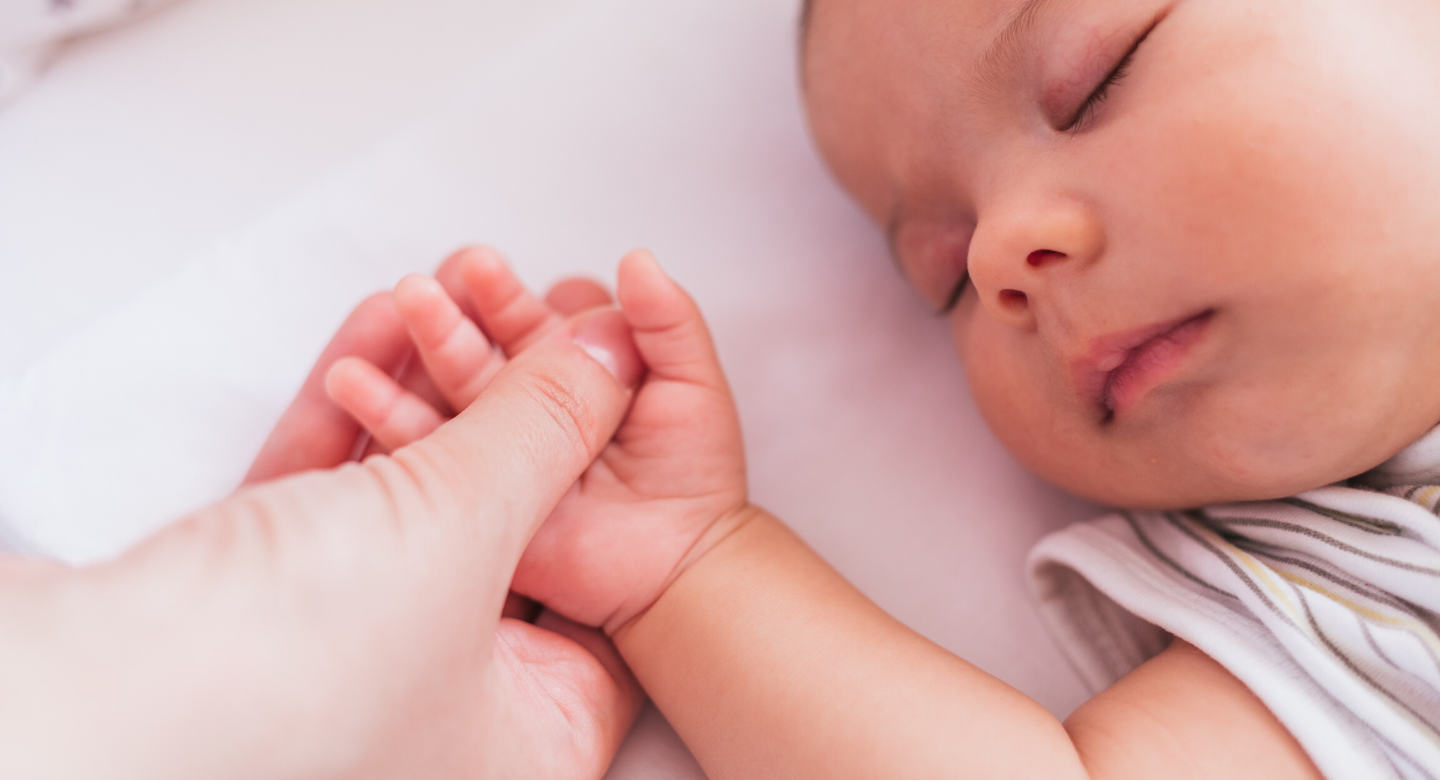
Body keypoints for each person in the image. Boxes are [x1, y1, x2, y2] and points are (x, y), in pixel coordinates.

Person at [315, 0, 1440, 777]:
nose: (1002, 253)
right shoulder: (1350, 587)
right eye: (945, 277)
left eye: (1099, 77)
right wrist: (682, 569)